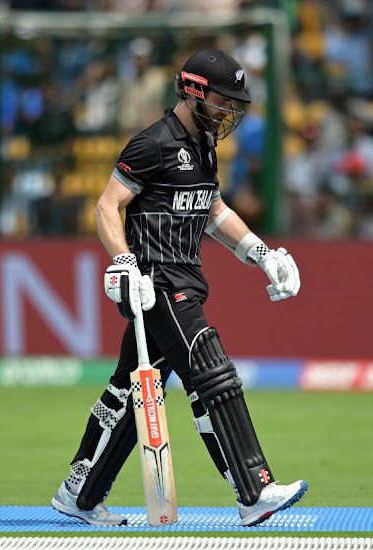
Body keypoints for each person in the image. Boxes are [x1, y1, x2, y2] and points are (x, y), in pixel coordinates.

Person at [50, 49, 307, 527]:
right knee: (212, 373)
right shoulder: (152, 144)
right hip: (157, 284)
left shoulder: (205, 147)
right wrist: (124, 261)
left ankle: (79, 493)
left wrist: (262, 254)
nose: (229, 112)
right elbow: (108, 208)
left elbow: (213, 211)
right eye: (223, 101)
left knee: (130, 393)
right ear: (193, 91)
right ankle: (254, 490)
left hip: (185, 279)